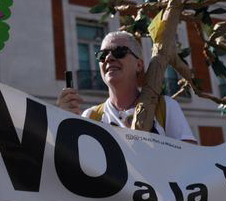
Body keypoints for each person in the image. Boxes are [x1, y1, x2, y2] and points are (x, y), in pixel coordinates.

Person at [57, 31, 196, 143]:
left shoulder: (165, 107)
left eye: (120, 52)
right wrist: (64, 123)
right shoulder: (90, 116)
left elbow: (190, 161)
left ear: (139, 65)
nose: (109, 58)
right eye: (102, 55)